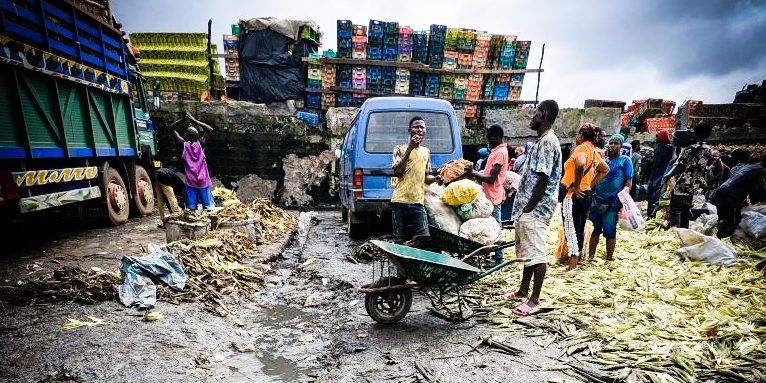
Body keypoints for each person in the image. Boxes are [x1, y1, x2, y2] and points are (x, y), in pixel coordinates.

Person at [500, 100, 562, 316]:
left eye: (535, 113)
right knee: (527, 252)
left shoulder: (548, 142)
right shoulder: (544, 140)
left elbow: (543, 179)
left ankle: (534, 299)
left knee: (536, 254)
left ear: (543, 115)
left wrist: (530, 206)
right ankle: (523, 290)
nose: (532, 116)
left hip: (536, 209)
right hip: (529, 208)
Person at [558, 123, 608, 270]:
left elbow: (580, 164)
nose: (576, 138)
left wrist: (578, 185)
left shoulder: (581, 148)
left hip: (573, 195)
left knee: (570, 228)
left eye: (577, 135)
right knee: (578, 228)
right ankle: (577, 259)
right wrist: (589, 184)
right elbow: (605, 169)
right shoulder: (593, 152)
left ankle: (572, 263)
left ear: (581, 135)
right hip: (586, 195)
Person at [391, 116, 440, 244]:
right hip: (399, 200)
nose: (419, 129)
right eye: (416, 127)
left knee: (423, 236)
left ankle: (408, 249)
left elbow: (426, 177)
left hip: (417, 201)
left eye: (422, 127)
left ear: (425, 131)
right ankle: (402, 257)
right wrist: (410, 148)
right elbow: (397, 172)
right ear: (409, 131)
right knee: (399, 239)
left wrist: (436, 178)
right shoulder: (399, 149)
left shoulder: (426, 151)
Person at [663, 123, 723, 228]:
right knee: (686, 210)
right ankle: (684, 231)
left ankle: (674, 234)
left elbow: (678, 166)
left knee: (676, 211)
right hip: (694, 185)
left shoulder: (688, 149)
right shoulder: (708, 150)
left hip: (681, 184)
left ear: (695, 134)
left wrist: (667, 176)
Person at [467, 125, 509, 265]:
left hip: (494, 196)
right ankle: (492, 253)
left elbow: (491, 178)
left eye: (489, 138)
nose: (488, 142)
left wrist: (472, 172)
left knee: (496, 227)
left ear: (496, 137)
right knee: (491, 226)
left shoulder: (500, 152)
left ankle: (499, 257)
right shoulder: (496, 151)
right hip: (489, 195)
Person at [588, 134, 633, 261]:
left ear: (620, 146)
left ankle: (609, 259)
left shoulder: (625, 160)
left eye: (616, 143)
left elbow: (628, 181)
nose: (612, 146)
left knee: (609, 230)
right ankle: (591, 257)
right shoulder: (602, 160)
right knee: (594, 230)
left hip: (613, 202)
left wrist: (624, 196)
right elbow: (594, 176)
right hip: (597, 199)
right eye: (611, 143)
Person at [709, 153, 766, 238]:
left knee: (726, 220)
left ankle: (718, 240)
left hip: (721, 191)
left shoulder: (751, 167)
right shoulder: (761, 170)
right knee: (733, 221)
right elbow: (762, 188)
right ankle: (721, 241)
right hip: (730, 195)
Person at [173, 112, 215, 210]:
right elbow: (210, 130)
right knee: (209, 208)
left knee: (191, 208)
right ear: (197, 136)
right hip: (203, 181)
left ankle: (193, 223)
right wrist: (194, 121)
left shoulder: (184, 145)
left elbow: (171, 130)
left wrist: (181, 120)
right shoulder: (201, 143)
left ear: (186, 136)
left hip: (191, 181)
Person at [647, 130, 674, 217]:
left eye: (658, 136)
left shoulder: (669, 148)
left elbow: (670, 163)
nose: (656, 138)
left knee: (656, 195)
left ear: (662, 137)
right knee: (649, 194)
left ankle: (653, 214)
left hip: (662, 174)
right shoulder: (657, 149)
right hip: (653, 174)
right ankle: (649, 214)